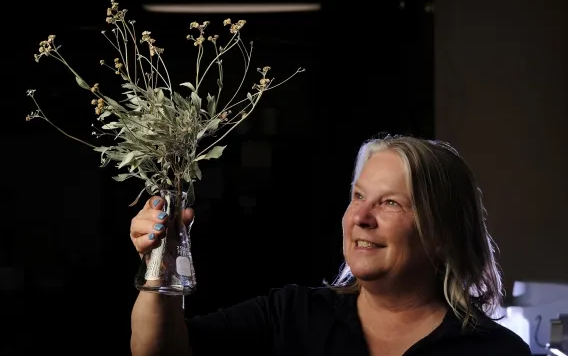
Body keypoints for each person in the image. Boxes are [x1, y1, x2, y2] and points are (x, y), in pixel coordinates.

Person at [129, 134, 532, 356]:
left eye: (390, 203)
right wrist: (159, 260)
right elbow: (158, 351)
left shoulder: (494, 352)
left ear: (443, 233)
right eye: (358, 197)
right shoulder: (291, 315)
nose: (361, 217)